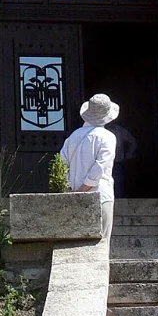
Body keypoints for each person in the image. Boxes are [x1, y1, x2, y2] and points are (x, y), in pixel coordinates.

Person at [60, 93, 120, 241]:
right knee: (101, 242)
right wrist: (84, 189)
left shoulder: (73, 137)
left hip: (73, 195)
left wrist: (71, 189)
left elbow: (62, 165)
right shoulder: (108, 137)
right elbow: (99, 168)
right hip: (100, 194)